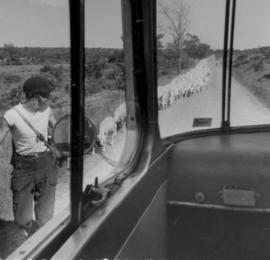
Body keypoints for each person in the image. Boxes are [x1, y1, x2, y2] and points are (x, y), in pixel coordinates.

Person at [0, 76, 59, 236]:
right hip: (23, 167)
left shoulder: (47, 110)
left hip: (47, 162)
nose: (50, 97)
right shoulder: (12, 115)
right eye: (48, 94)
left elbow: (59, 129)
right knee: (22, 218)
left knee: (46, 215)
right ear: (38, 96)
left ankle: (44, 242)